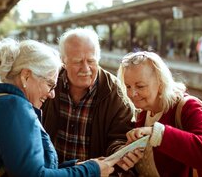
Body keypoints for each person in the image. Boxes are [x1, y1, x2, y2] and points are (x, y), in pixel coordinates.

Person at [0, 38, 115, 176]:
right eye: (49, 85)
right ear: (26, 76)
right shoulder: (14, 108)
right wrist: (90, 171)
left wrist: (78, 167)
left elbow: (27, 168)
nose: (52, 94)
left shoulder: (1, 103)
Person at [42, 28, 140, 174]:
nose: (85, 68)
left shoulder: (116, 92)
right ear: (63, 61)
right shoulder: (47, 83)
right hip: (54, 172)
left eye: (91, 61)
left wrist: (121, 151)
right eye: (77, 62)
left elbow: (120, 136)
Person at [118, 51, 202, 176]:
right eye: (128, 86)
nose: (132, 94)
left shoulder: (188, 107)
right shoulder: (143, 113)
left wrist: (159, 134)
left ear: (161, 84)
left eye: (140, 86)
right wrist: (129, 156)